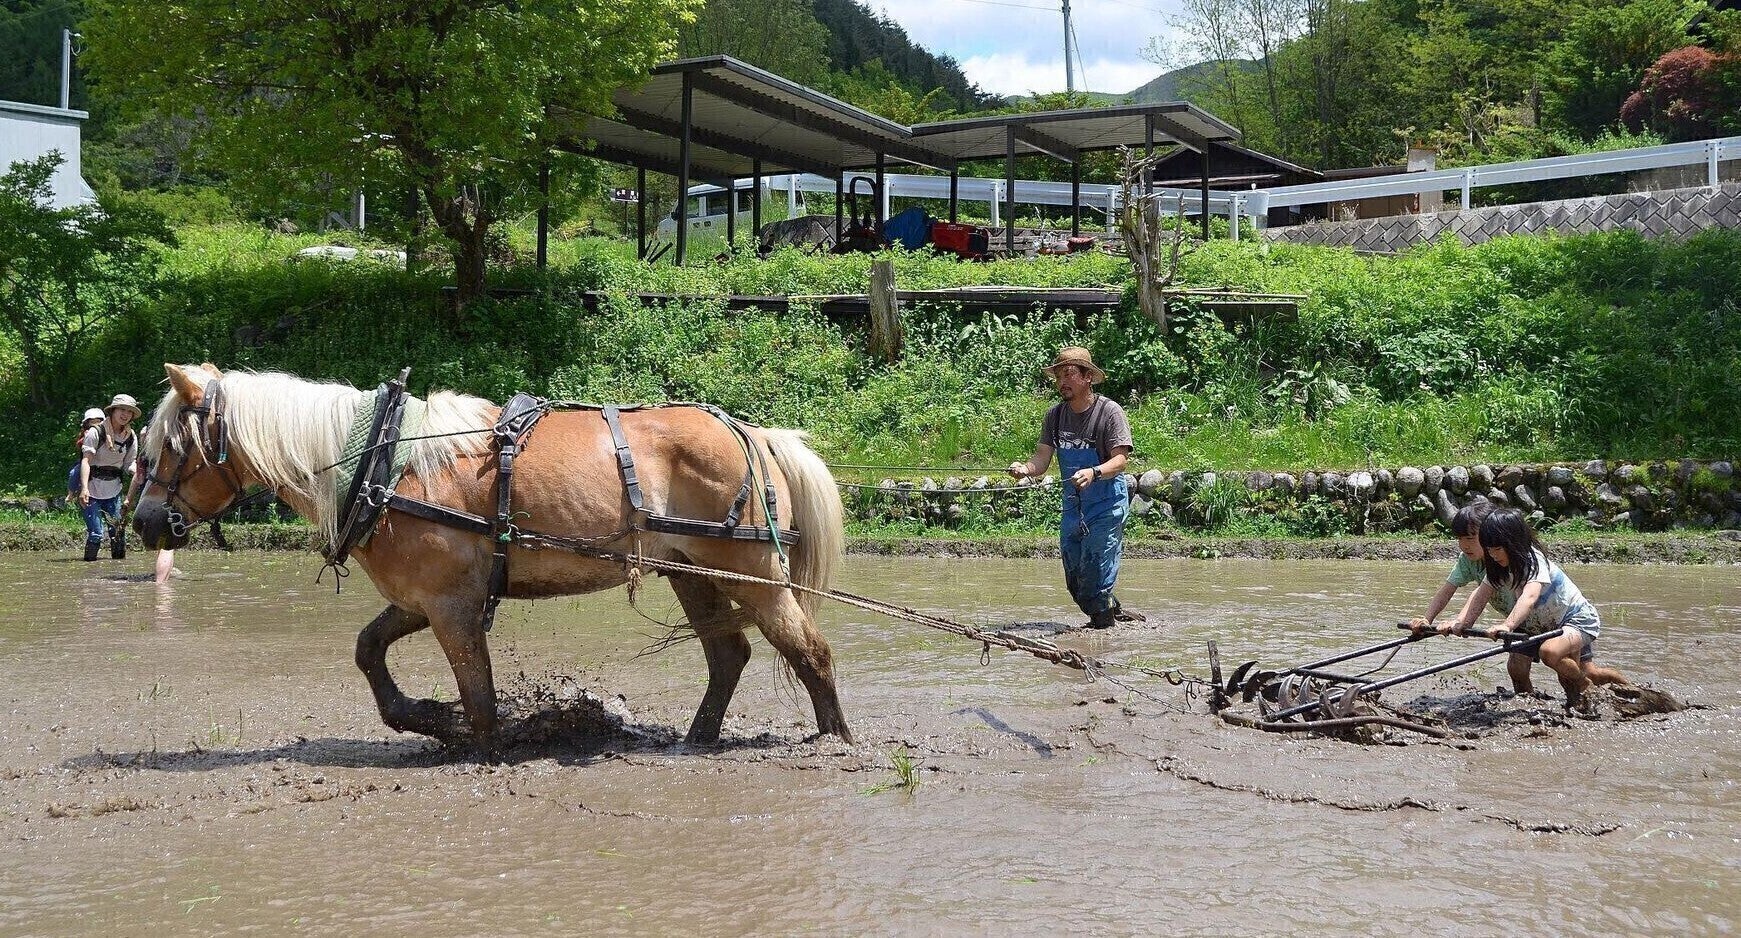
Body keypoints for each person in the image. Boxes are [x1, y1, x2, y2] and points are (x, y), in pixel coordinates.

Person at [1437, 508, 1628, 711]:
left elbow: (1529, 597)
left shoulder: (1532, 560)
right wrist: (1462, 623)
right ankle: (1528, 709)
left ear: (1512, 543)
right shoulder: (1498, 565)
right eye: (1489, 549)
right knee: (1516, 668)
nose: (1492, 555)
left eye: (1497, 549)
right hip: (1533, 624)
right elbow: (1481, 594)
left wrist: (1507, 625)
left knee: (1561, 662)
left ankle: (1617, 689)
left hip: (1572, 619)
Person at [1008, 346, 1138, 629]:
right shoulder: (1054, 416)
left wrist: (1094, 472)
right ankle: (1110, 609)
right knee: (1075, 581)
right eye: (1058, 376)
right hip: (1073, 508)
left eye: (1068, 374)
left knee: (1095, 571)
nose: (1062, 382)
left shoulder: (1109, 412)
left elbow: (1120, 461)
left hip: (1105, 505)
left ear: (1088, 377)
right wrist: (1025, 469)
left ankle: (1103, 631)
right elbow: (1041, 459)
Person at [77, 393, 141, 562]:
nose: (125, 414)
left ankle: (119, 571)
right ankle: (89, 570)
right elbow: (86, 461)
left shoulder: (131, 437)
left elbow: (129, 464)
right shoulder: (95, 432)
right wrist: (83, 489)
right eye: (122, 409)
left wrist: (139, 472)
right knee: (96, 534)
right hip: (91, 489)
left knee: (118, 533)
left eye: (129, 411)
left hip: (113, 490)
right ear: (113, 410)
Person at [66, 408, 105, 504]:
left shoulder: (107, 434)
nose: (96, 424)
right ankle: (71, 493)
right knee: (74, 473)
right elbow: (79, 445)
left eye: (98, 421)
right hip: (86, 460)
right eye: (92, 422)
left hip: (102, 462)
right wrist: (86, 439)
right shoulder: (86, 433)